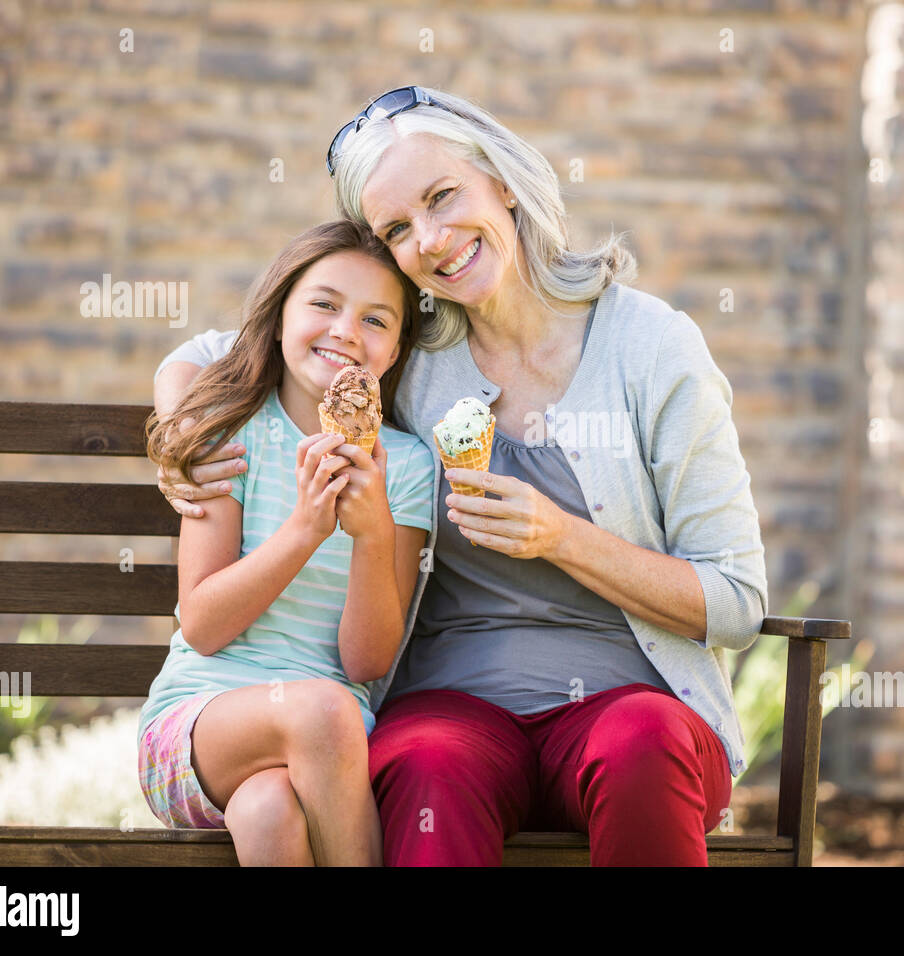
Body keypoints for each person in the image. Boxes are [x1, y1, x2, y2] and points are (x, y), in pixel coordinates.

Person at [152, 86, 768, 866]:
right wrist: (182, 430)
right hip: (457, 706)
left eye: (444, 197)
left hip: (632, 707)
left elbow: (737, 603)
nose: (434, 240)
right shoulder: (410, 357)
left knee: (640, 743)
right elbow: (227, 351)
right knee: (426, 763)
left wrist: (563, 538)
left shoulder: (651, 349)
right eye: (399, 229)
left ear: (503, 182)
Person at [138, 219, 434, 866]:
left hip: (327, 747)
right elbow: (203, 626)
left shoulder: (406, 469)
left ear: (394, 352)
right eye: (324, 304)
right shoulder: (231, 436)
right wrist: (305, 530)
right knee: (323, 713)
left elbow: (366, 663)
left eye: (376, 320)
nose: (346, 332)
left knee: (269, 810)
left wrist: (374, 533)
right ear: (278, 319)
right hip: (195, 730)